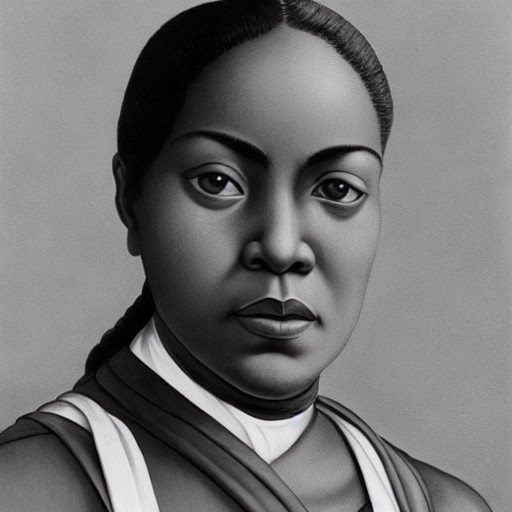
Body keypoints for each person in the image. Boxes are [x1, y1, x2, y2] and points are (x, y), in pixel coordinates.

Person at [0, 1, 493, 510]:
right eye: (217, 182)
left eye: (338, 189)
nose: (281, 247)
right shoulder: (25, 492)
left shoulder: (440, 504)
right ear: (130, 199)